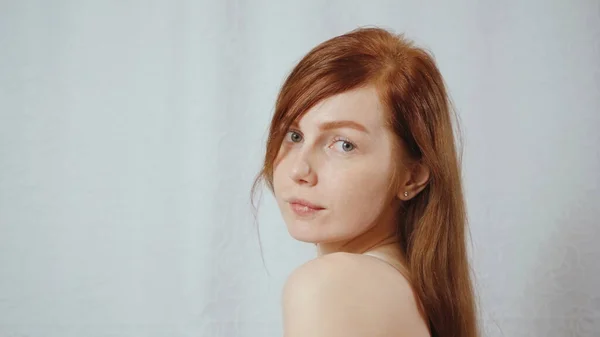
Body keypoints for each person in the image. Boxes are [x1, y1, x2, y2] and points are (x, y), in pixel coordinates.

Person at [252, 26, 479, 337]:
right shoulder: (404, 290)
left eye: (344, 144)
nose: (299, 170)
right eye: (295, 135)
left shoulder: (333, 285)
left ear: (412, 176)